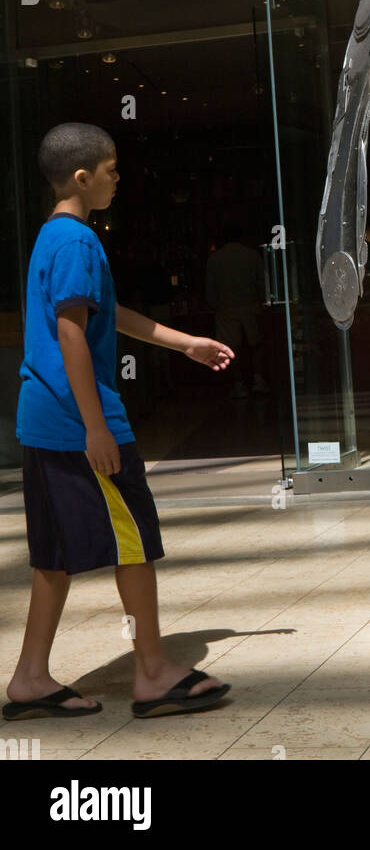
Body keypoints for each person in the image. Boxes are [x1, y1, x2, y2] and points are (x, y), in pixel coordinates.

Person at [3, 123, 235, 722]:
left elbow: (106, 312)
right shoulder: (78, 241)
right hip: (79, 423)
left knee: (53, 557)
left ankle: (29, 678)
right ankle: (154, 672)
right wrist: (96, 428)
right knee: (134, 545)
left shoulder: (54, 237)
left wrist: (184, 343)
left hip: (42, 420)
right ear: (82, 177)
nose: (118, 179)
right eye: (112, 170)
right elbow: (71, 332)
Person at [204, 221, 268, 400]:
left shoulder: (215, 259)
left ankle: (239, 384)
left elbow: (210, 288)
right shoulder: (251, 255)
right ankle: (258, 379)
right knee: (255, 345)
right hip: (250, 305)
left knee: (232, 349)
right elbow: (261, 282)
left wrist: (213, 303)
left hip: (227, 308)